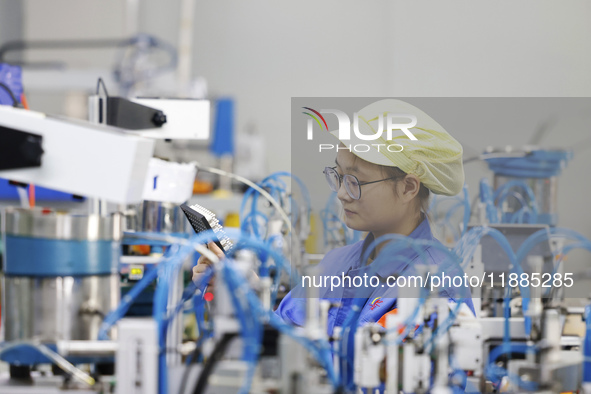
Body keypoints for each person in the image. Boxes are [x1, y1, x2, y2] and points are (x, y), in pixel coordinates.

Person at [193, 99, 474, 337]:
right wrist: (240, 294)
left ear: (408, 187)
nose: (341, 193)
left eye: (355, 181)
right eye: (338, 176)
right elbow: (278, 338)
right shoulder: (336, 264)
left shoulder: (437, 287)